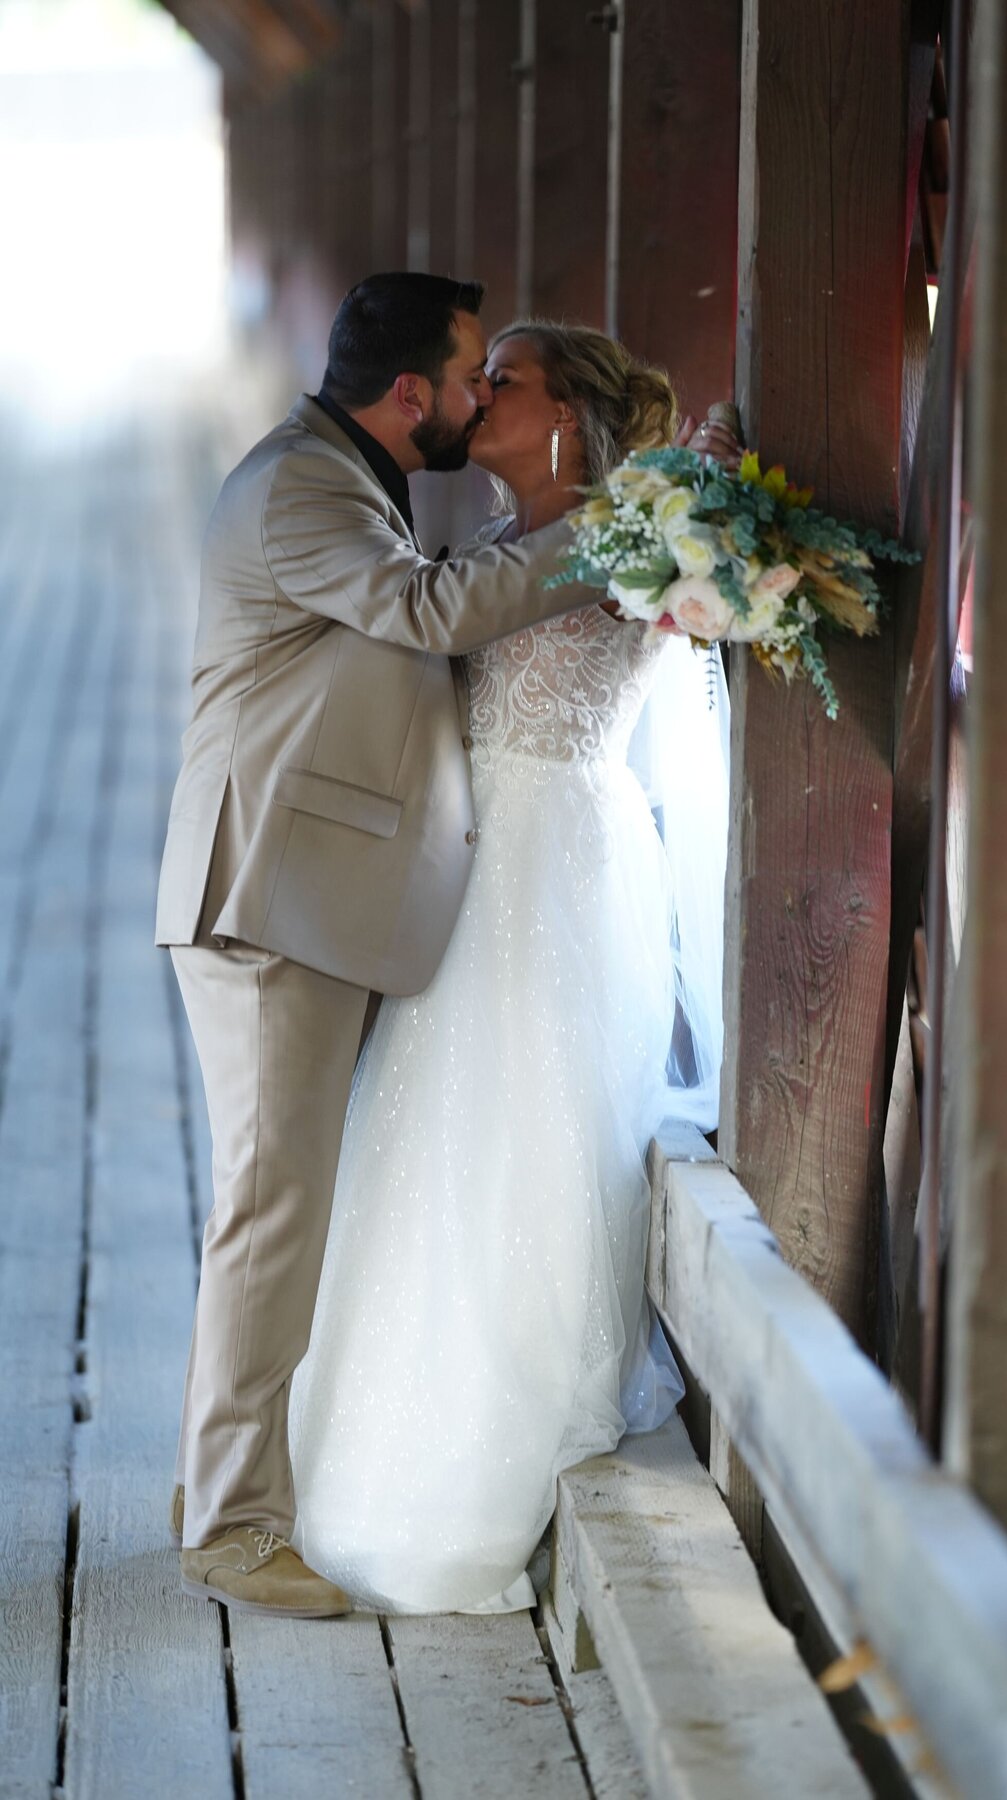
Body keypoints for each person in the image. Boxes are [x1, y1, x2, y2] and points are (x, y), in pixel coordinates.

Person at [158, 274, 609, 1619]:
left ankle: (216, 1480)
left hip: (315, 891)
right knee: (274, 1207)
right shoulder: (303, 486)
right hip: (269, 902)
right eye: (472, 377)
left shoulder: (349, 475)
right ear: (410, 393)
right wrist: (608, 533)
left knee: (282, 1204)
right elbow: (424, 614)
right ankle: (233, 1529)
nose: (480, 399)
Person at [285, 321, 733, 1613]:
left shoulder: (632, 540)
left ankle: (490, 1449)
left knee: (520, 1132)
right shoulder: (485, 545)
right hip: (466, 868)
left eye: (507, 378)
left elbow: (695, 611)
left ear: (569, 417)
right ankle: (370, 1453)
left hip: (558, 864)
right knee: (427, 1135)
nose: (480, 394)